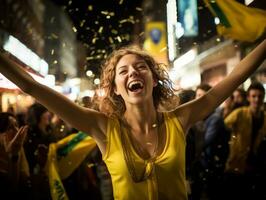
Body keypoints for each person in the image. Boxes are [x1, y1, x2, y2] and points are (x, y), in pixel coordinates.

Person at [0, 39, 265, 199]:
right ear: (115, 87)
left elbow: (234, 79)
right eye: (123, 71)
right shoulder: (102, 128)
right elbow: (32, 87)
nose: (132, 73)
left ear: (153, 79)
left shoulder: (179, 119)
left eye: (141, 67)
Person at [223, 81, 266, 199]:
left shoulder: (265, 117)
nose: (257, 99)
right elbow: (224, 126)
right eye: (254, 96)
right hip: (236, 164)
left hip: (255, 166)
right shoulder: (240, 113)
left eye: (260, 96)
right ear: (248, 98)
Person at [0, 112, 30, 199]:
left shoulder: (18, 148)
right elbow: (11, 186)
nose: (17, 130)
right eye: (10, 128)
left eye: (16, 125)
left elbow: (25, 178)